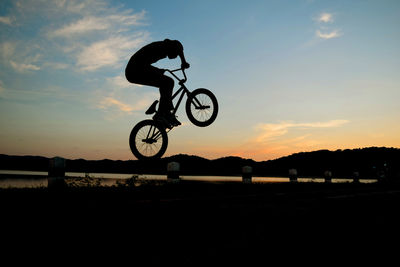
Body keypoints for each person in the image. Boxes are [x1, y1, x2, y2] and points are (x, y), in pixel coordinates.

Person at [125, 39, 190, 126]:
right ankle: (163, 114)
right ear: (172, 48)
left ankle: (163, 114)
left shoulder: (164, 47)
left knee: (166, 82)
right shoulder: (160, 48)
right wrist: (157, 71)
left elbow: (179, 48)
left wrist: (183, 61)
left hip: (135, 70)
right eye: (176, 54)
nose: (175, 57)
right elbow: (142, 63)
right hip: (134, 70)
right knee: (168, 82)